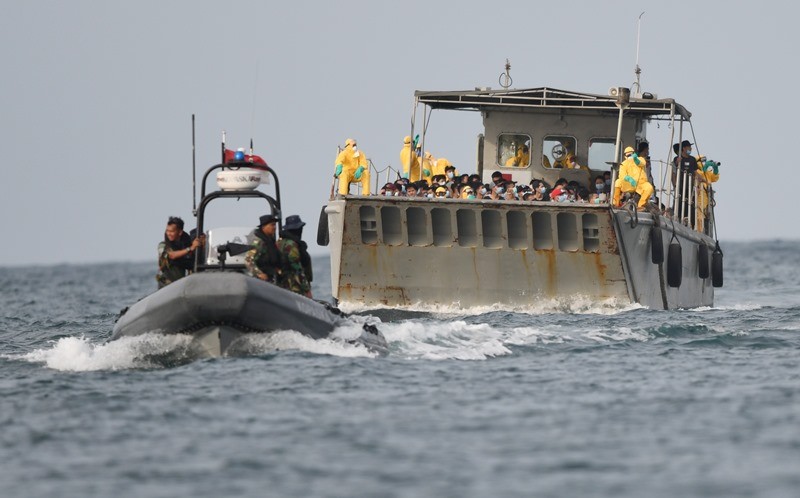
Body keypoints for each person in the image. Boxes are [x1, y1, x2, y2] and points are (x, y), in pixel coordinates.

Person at [156, 216, 204, 288]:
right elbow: (172, 255)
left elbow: (190, 258)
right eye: (167, 231)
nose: (169, 233)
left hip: (179, 284)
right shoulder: (163, 246)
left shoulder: (186, 242)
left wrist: (198, 244)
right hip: (166, 284)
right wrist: (190, 248)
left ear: (180, 232)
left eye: (171, 231)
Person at [277, 215, 312, 298]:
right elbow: (297, 269)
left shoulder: (280, 243)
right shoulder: (292, 245)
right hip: (293, 285)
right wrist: (307, 289)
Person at [614, 142, 654, 210]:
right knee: (618, 182)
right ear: (625, 156)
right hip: (629, 184)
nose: (630, 156)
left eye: (631, 154)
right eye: (628, 155)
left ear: (634, 154)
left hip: (641, 184)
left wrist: (635, 159)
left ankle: (641, 205)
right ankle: (616, 204)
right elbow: (622, 175)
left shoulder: (640, 159)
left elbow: (641, 163)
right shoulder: (623, 164)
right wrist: (629, 179)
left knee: (649, 188)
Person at [245, 214, 282, 283]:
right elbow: (248, 260)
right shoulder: (258, 242)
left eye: (275, 225)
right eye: (272, 225)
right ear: (264, 227)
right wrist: (259, 273)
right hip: (262, 282)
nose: (274, 227)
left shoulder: (270, 241)